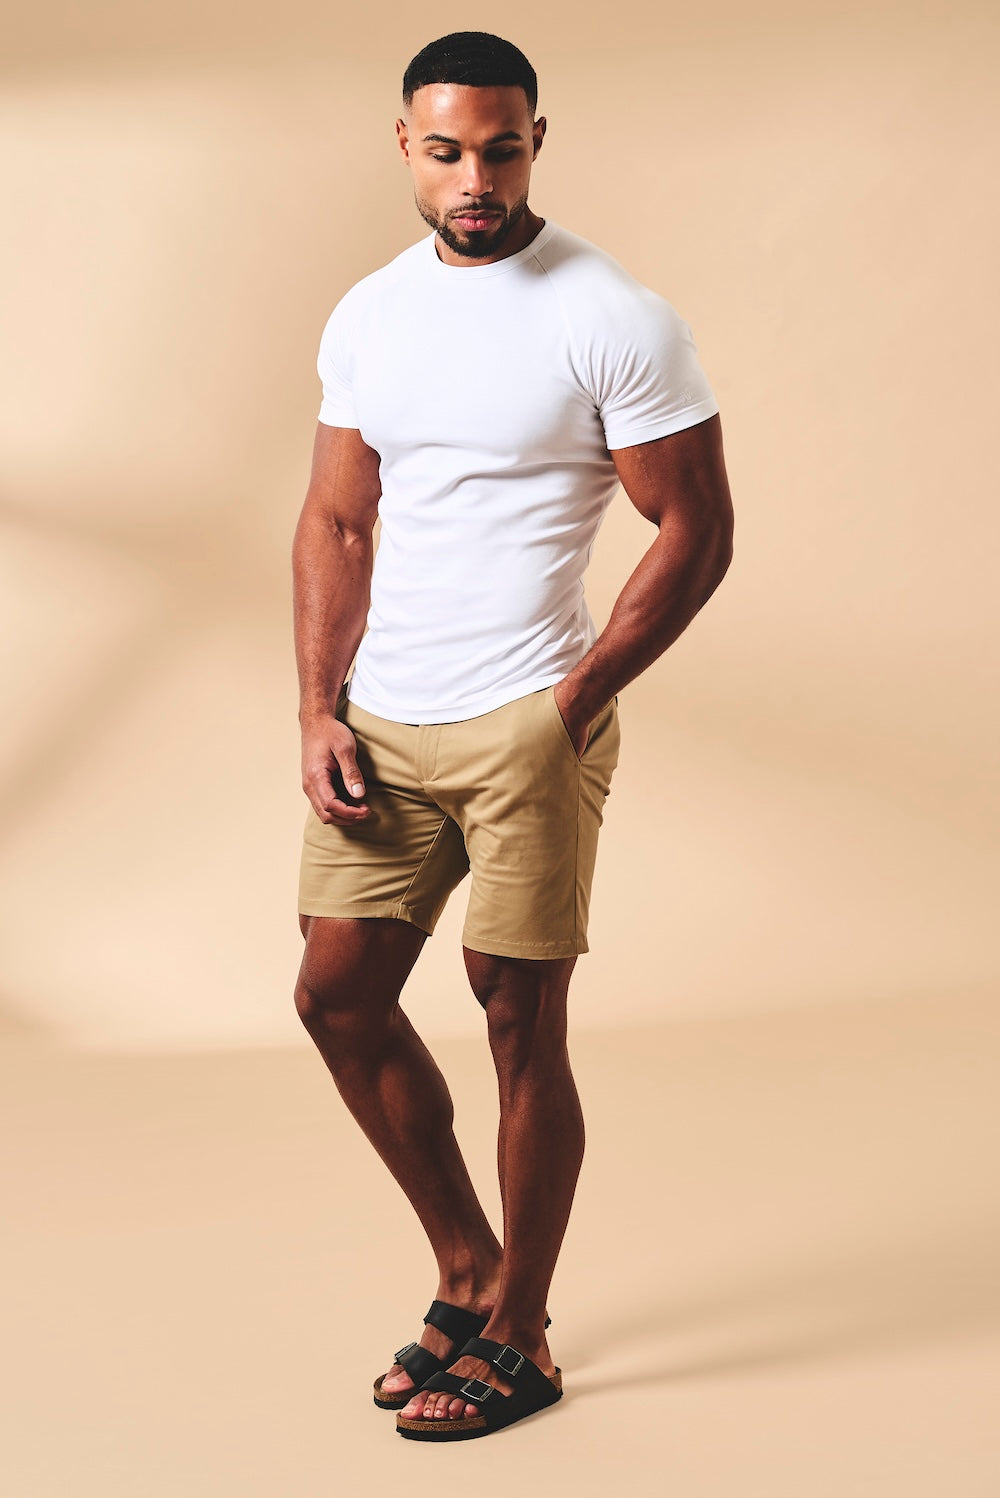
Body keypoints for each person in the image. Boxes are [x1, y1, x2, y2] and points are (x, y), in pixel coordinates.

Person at [291, 31, 734, 1442]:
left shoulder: (611, 313)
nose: (475, 178)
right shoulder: (370, 313)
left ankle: (522, 1330)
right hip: (383, 718)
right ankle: (467, 1268)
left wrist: (572, 702)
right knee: (336, 997)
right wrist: (316, 705)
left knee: (514, 1016)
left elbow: (695, 528)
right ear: (405, 147)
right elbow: (337, 520)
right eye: (446, 151)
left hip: (530, 714)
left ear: (538, 138)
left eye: (500, 148)